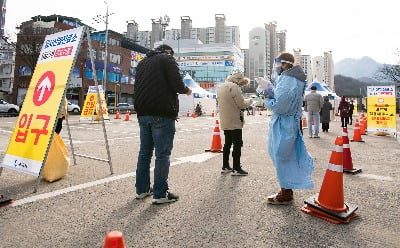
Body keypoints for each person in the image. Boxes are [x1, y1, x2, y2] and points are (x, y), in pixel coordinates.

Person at [133, 44, 192, 205]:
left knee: (144, 153)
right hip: (162, 113)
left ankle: (142, 189)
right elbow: (177, 85)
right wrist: (187, 90)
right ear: (168, 52)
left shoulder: (142, 63)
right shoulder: (167, 59)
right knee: (162, 155)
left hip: (143, 113)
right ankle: (160, 193)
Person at [262, 52, 314, 204]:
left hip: (283, 123)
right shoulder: (297, 80)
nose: (277, 67)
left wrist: (267, 97)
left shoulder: (287, 79)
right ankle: (286, 189)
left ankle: (286, 193)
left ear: (285, 64)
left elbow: (280, 106)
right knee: (287, 156)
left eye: (278, 64)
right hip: (291, 122)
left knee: (281, 156)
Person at [217, 72, 252, 176]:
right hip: (234, 120)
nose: (241, 84)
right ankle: (236, 168)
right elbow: (241, 104)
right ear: (238, 79)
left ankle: (225, 166)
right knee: (237, 144)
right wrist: (249, 101)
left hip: (224, 119)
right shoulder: (234, 87)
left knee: (227, 143)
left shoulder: (221, 86)